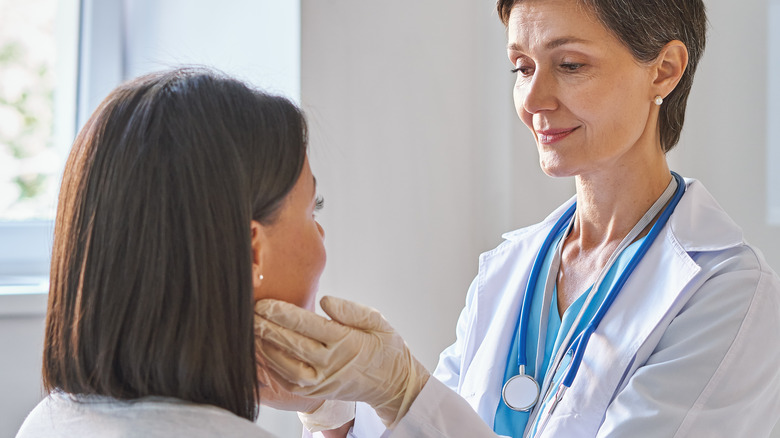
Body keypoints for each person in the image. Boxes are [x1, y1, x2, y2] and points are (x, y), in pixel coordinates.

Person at [253, 0, 780, 437]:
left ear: (663, 70)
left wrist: (404, 390)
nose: (532, 99)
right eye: (522, 67)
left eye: (570, 65)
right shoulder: (508, 269)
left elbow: (428, 416)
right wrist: (333, 411)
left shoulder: (728, 294)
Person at [16, 67, 329, 437]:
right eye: (313, 211)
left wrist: (329, 415)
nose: (321, 236)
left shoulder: (45, 422)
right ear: (252, 254)